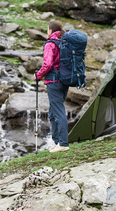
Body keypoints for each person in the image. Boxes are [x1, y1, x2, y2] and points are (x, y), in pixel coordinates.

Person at [34, 20, 70, 153]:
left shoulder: (50, 43)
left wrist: (38, 75)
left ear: (50, 30)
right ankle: (56, 142)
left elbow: (48, 64)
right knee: (53, 112)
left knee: (58, 111)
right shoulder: (64, 42)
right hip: (64, 81)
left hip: (54, 81)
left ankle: (63, 143)